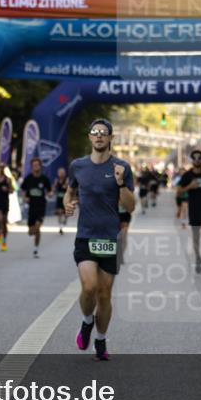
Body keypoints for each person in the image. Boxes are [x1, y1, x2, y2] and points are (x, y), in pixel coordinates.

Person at [64, 119, 135, 362]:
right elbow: (70, 190)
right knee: (89, 287)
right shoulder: (78, 166)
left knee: (104, 294)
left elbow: (131, 205)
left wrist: (120, 183)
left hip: (109, 238)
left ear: (111, 138)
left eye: (104, 133)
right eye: (95, 132)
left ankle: (101, 339)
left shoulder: (122, 167)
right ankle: (86, 322)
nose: (99, 136)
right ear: (90, 137)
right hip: (85, 236)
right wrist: (67, 203)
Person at [20, 157, 51, 258]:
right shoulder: (28, 178)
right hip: (31, 207)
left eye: (37, 165)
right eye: (34, 165)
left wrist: (50, 194)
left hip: (41, 206)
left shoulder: (44, 179)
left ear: (40, 166)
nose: (35, 167)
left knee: (38, 228)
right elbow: (23, 190)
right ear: (31, 167)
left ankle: (36, 248)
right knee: (31, 232)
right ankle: (33, 232)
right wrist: (25, 198)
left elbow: (50, 190)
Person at [53, 167, 70, 234]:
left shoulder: (67, 179)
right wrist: (53, 190)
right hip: (59, 198)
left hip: (66, 198)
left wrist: (66, 185)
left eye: (62, 173)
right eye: (60, 173)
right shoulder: (57, 180)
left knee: (66, 213)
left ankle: (65, 219)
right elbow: (54, 188)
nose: (61, 174)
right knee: (59, 212)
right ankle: (60, 227)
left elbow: (67, 187)